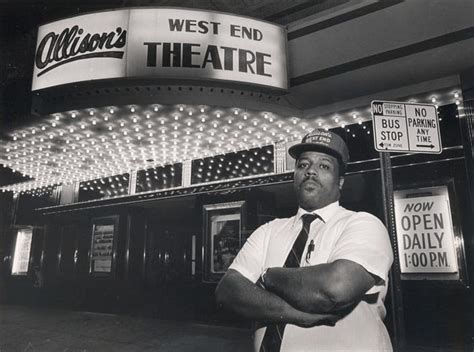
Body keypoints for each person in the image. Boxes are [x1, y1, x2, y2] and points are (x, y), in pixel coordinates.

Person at [215, 128, 394, 351]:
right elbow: (228, 291)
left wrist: (267, 276)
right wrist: (295, 314)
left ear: (340, 182)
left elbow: (334, 289)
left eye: (324, 166)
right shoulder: (269, 230)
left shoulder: (363, 224)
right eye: (303, 164)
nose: (311, 171)